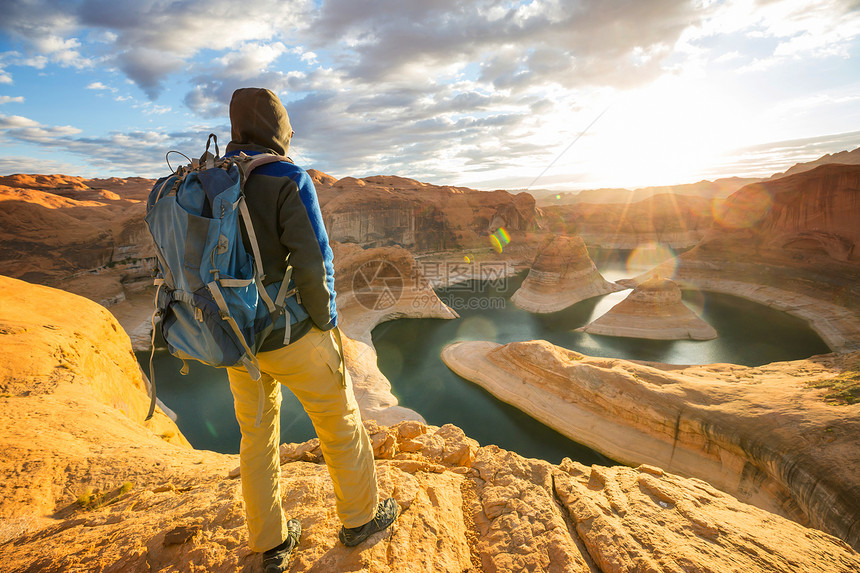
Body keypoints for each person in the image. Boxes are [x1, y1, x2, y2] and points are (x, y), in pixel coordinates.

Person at [223, 87, 398, 572]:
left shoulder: (209, 179)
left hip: (234, 337)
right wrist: (329, 327)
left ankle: (271, 543)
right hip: (292, 334)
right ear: (277, 126)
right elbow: (315, 262)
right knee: (339, 421)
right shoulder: (285, 176)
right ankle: (361, 520)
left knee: (256, 436)